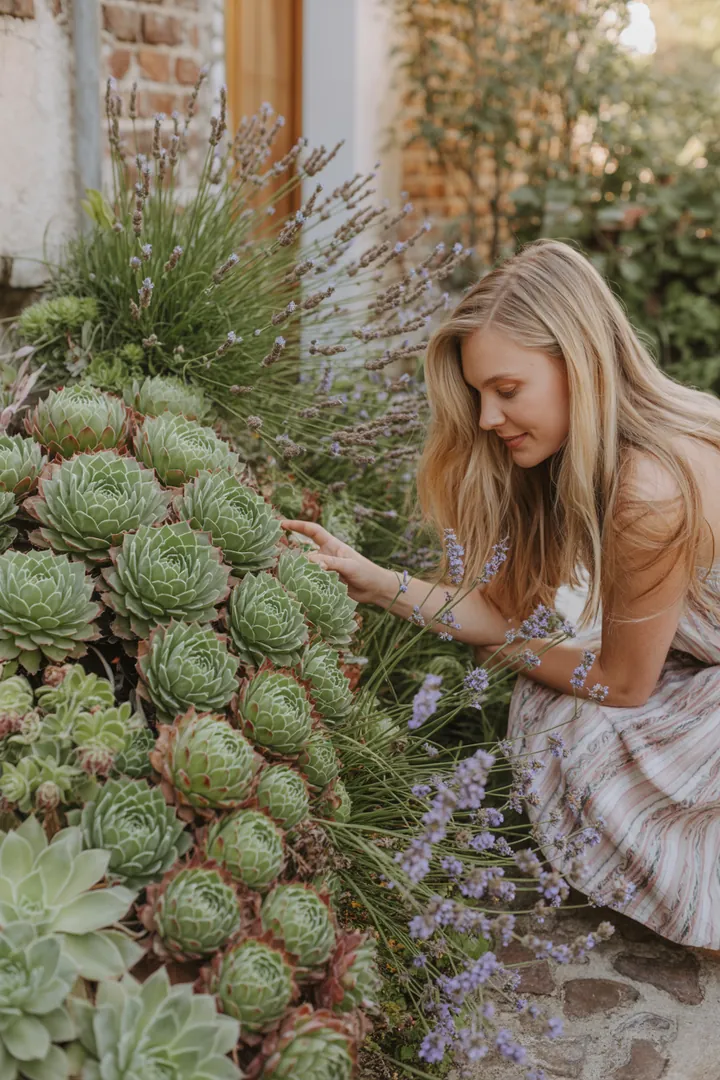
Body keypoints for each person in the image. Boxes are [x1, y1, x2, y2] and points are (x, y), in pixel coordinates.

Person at [281, 238, 720, 952]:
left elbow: (623, 682)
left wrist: (510, 653)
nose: (487, 418)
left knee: (563, 720)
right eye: (480, 394)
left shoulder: (647, 487)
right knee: (550, 697)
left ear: (578, 364)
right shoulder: (577, 462)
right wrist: (372, 579)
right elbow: (498, 611)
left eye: (507, 390)